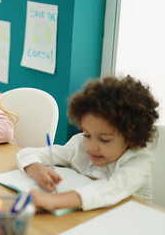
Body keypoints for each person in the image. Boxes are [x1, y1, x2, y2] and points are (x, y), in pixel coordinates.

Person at [17, 75, 159, 211]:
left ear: (132, 137)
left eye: (104, 139)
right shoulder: (80, 144)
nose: (91, 147)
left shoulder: (139, 161)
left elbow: (109, 190)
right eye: (87, 134)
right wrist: (37, 170)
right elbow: (27, 153)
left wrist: (53, 201)